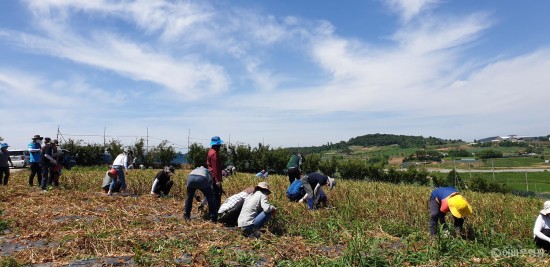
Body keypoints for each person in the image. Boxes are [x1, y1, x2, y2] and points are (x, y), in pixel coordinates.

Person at [207, 136, 223, 212]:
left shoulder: (210, 151)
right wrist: (217, 181)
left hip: (212, 176)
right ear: (217, 145)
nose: (220, 146)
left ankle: (214, 211)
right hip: (214, 177)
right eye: (219, 144)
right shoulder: (214, 153)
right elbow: (215, 168)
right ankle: (215, 212)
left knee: (214, 194)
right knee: (216, 195)